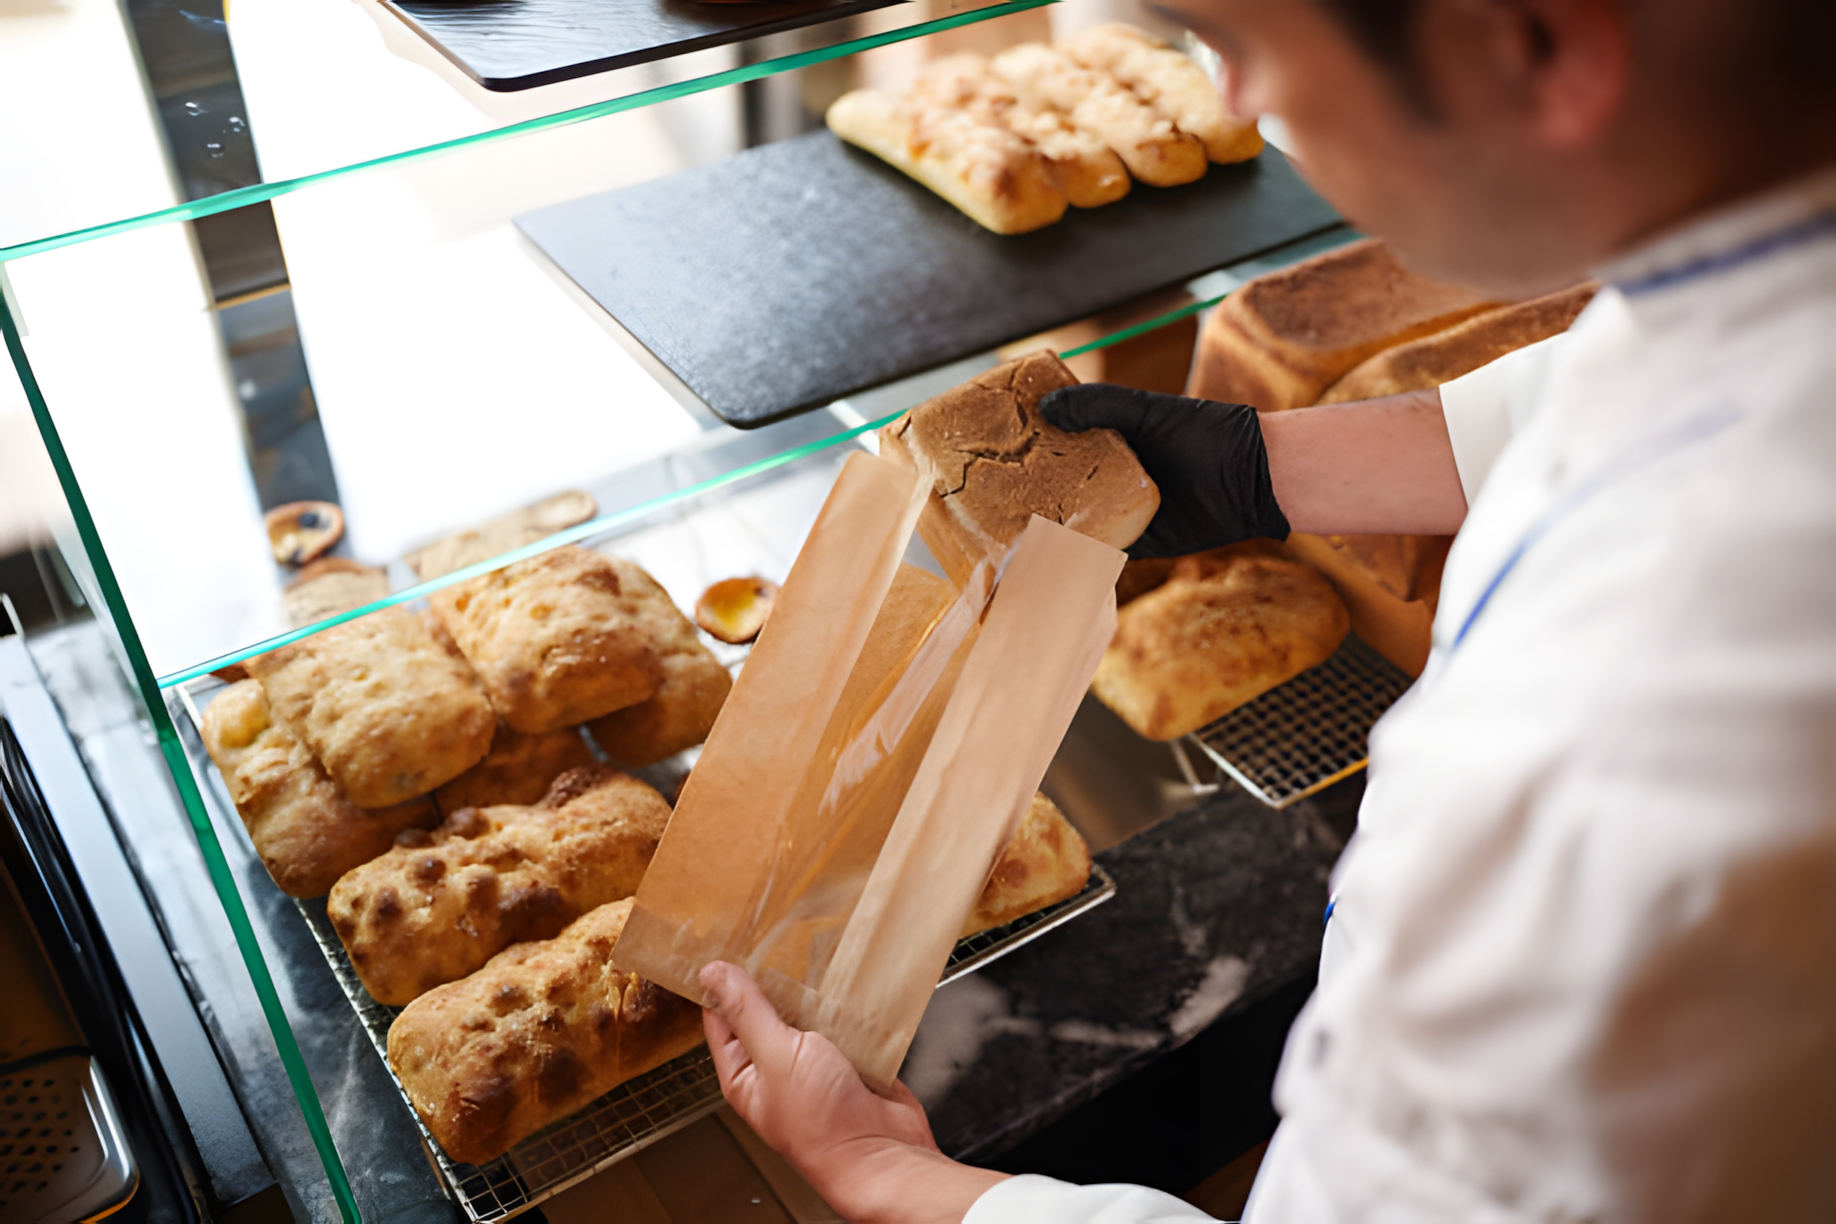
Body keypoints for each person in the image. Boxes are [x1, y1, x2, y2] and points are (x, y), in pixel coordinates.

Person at [697, 0, 1836, 1219]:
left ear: (1538, 47)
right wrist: (1264, 466)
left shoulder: (1641, 725)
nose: (1234, 103)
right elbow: (1594, 385)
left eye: (1242, 46)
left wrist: (896, 1183)